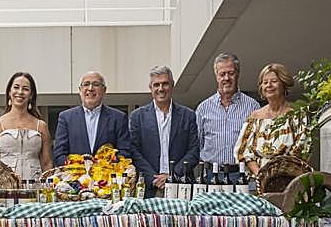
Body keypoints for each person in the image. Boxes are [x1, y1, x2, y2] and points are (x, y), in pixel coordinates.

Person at [128, 66, 199, 196]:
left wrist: (172, 175)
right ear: (150, 87)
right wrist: (153, 178)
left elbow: (194, 151)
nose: (161, 89)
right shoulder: (137, 117)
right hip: (148, 187)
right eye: (156, 85)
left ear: (172, 85)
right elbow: (134, 152)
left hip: (181, 186)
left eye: (165, 84)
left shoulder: (188, 115)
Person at [234, 63, 308, 175]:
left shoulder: (297, 115)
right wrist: (261, 176)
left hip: (288, 178)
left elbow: (301, 151)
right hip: (257, 179)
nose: (269, 85)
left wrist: (279, 176)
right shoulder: (254, 117)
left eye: (274, 81)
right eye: (265, 82)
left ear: (284, 84)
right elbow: (243, 152)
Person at [196, 53, 259, 183]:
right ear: (216, 76)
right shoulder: (203, 108)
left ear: (238, 74)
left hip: (241, 176)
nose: (226, 78)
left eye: (231, 73)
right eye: (222, 74)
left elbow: (256, 145)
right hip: (210, 176)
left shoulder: (253, 107)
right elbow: (198, 144)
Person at [52, 71, 133, 166]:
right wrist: (78, 165)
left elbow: (125, 152)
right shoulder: (66, 118)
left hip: (108, 174)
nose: (90, 88)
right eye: (86, 84)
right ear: (80, 90)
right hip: (74, 174)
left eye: (96, 84)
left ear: (104, 90)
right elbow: (59, 154)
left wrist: (102, 164)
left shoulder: (118, 118)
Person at [0, 72, 52, 182]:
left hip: (34, 186)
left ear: (31, 95)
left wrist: (47, 187)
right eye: (16, 87)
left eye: (25, 89)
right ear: (9, 92)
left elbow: (47, 163)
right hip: (6, 186)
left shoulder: (41, 126)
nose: (20, 92)